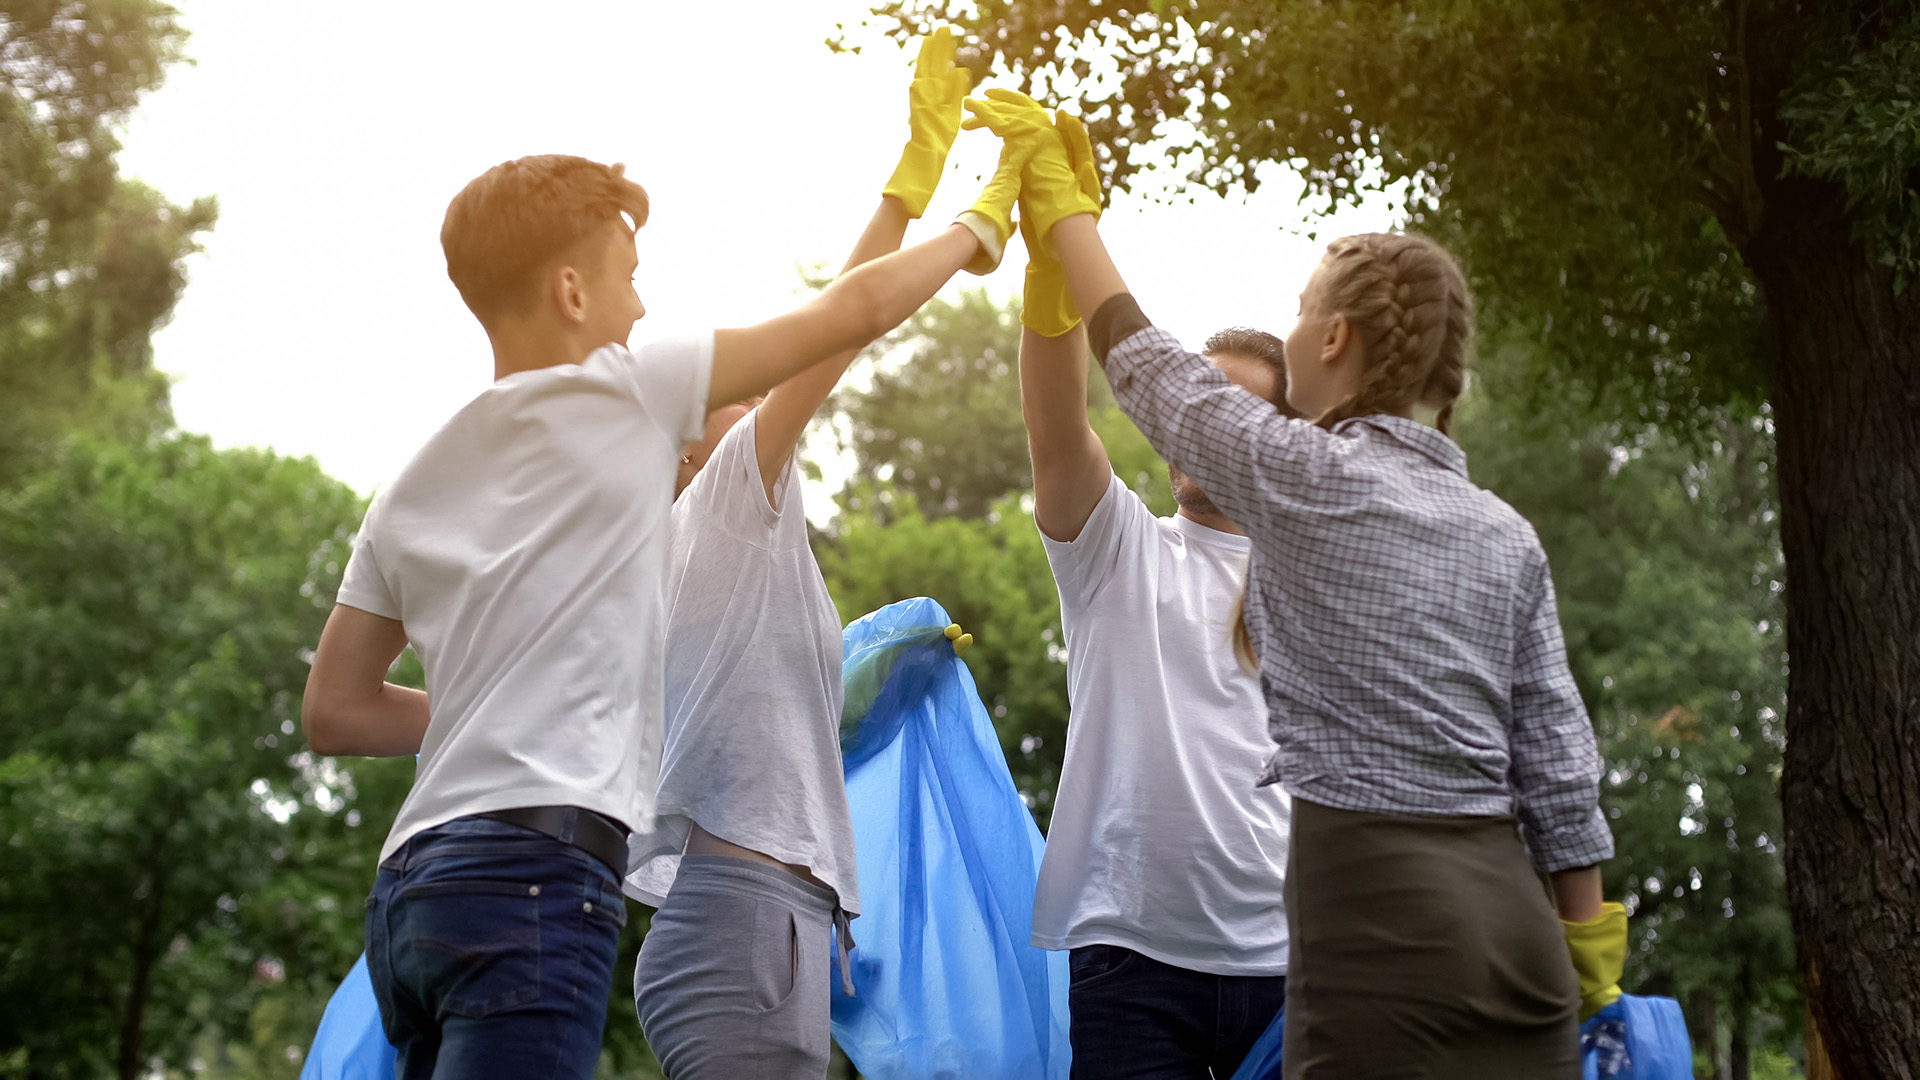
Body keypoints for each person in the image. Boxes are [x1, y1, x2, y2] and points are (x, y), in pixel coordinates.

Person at [297, 68, 1022, 1078]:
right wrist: (979, 224)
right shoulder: (628, 393)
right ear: (571, 290)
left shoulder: (411, 482)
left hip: (410, 892)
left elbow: (333, 711)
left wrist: (481, 706)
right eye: (630, 279)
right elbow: (846, 315)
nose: (641, 310)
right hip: (535, 880)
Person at [966, 89, 1624, 1077]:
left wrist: (1069, 220)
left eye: (1305, 309)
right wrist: (1593, 966)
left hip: (1370, 932)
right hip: (1517, 933)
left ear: (1332, 343)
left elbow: (1150, 370)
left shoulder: (1306, 480)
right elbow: (1561, 771)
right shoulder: (1504, 532)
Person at [622, 29, 1008, 1080]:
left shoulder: (709, 544)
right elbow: (836, 325)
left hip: (764, 915)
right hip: (744, 920)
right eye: (732, 397)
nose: (755, 397)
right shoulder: (720, 502)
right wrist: (926, 197)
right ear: (690, 441)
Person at [1013, 120, 1295, 1080]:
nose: (1196, 426)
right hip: (1132, 963)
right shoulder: (1118, 550)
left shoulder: (1316, 578)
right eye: (1188, 404)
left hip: (1296, 969)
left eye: (1232, 409)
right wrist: (1052, 267)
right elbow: (1057, 427)